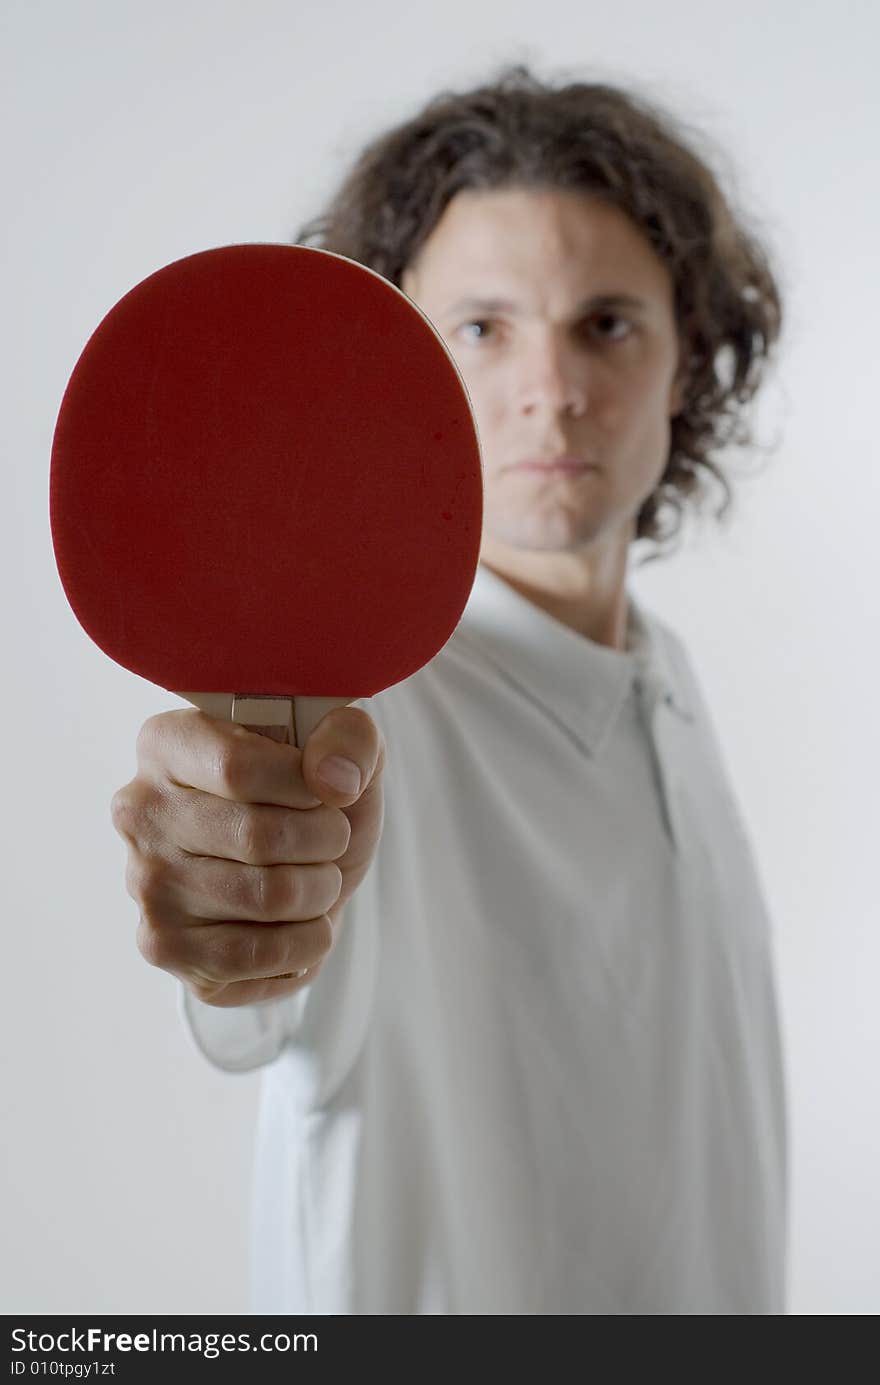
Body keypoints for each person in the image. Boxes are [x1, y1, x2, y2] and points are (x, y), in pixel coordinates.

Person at [112, 64, 788, 1314]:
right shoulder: (360, 714)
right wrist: (238, 904)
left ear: (687, 360)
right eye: (481, 327)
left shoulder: (669, 679)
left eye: (605, 323)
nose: (550, 386)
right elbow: (257, 965)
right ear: (394, 360)